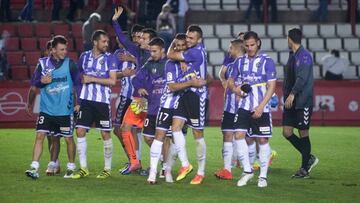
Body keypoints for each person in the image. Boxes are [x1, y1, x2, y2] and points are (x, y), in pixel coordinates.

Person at [147, 34, 207, 184]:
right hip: (167, 103)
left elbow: (205, 76)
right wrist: (191, 82)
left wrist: (203, 81)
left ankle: (169, 170)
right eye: (177, 45)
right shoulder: (169, 64)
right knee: (160, 136)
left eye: (183, 45)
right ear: (173, 47)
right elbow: (172, 87)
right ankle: (153, 173)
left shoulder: (191, 62)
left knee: (175, 136)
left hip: (182, 103)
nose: (180, 47)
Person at [25, 35, 80, 179]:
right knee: (40, 136)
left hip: (64, 110)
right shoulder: (42, 64)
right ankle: (34, 167)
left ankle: (70, 167)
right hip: (46, 109)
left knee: (68, 139)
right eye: (61, 49)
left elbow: (78, 84)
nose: (64, 52)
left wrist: (78, 103)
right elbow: (35, 84)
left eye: (65, 49)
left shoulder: (70, 64)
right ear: (53, 50)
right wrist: (42, 82)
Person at [228, 31, 277, 188]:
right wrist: (237, 90)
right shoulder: (239, 61)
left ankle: (263, 177)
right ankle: (248, 171)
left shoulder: (267, 61)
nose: (249, 48)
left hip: (261, 107)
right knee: (239, 135)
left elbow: (272, 86)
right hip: (244, 105)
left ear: (258, 43)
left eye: (252, 45)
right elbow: (230, 81)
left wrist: (261, 107)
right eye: (247, 45)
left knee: (262, 140)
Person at [72, 30, 117, 179]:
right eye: (104, 41)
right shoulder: (84, 57)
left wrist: (92, 79)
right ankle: (84, 168)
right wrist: (78, 100)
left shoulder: (110, 58)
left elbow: (112, 81)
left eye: (107, 42)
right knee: (79, 131)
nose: (106, 44)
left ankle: (107, 169)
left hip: (102, 102)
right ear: (95, 42)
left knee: (105, 133)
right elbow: (78, 79)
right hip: (86, 100)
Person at [167, 25, 208, 185]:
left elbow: (170, 54)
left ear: (199, 39)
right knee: (175, 128)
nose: (188, 40)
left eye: (191, 38)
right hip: (185, 94)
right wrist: (183, 61)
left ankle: (201, 172)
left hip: (197, 97)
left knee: (197, 135)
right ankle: (185, 164)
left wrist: (177, 51)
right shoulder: (192, 53)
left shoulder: (195, 52)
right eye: (187, 37)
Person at [282, 28, 319, 179]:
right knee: (287, 132)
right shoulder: (293, 55)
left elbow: (302, 79)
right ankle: (309, 157)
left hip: (302, 101)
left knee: (303, 132)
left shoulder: (304, 56)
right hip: (291, 101)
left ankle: (304, 168)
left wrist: (291, 94)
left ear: (290, 39)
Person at [214, 39, 245, 180]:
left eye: (231, 48)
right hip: (229, 108)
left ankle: (247, 169)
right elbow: (228, 85)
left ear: (237, 49)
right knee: (227, 135)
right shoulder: (232, 66)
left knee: (245, 138)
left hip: (244, 108)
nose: (229, 50)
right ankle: (227, 170)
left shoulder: (248, 65)